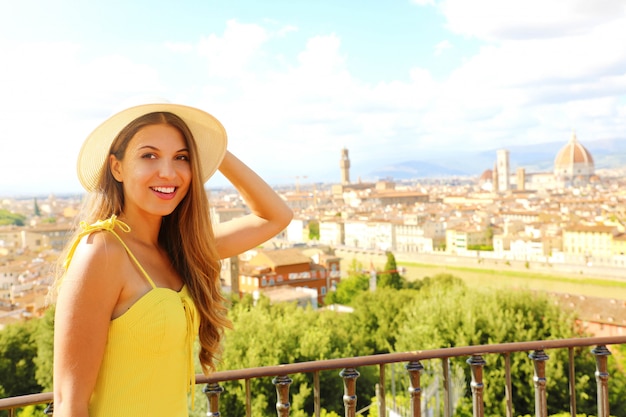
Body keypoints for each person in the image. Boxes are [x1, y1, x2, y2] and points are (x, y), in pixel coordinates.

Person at [52, 101, 293, 417]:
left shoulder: (180, 248)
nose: (168, 172)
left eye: (182, 157)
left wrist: (213, 151)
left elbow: (276, 216)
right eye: (149, 155)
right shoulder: (102, 251)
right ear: (117, 167)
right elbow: (69, 403)